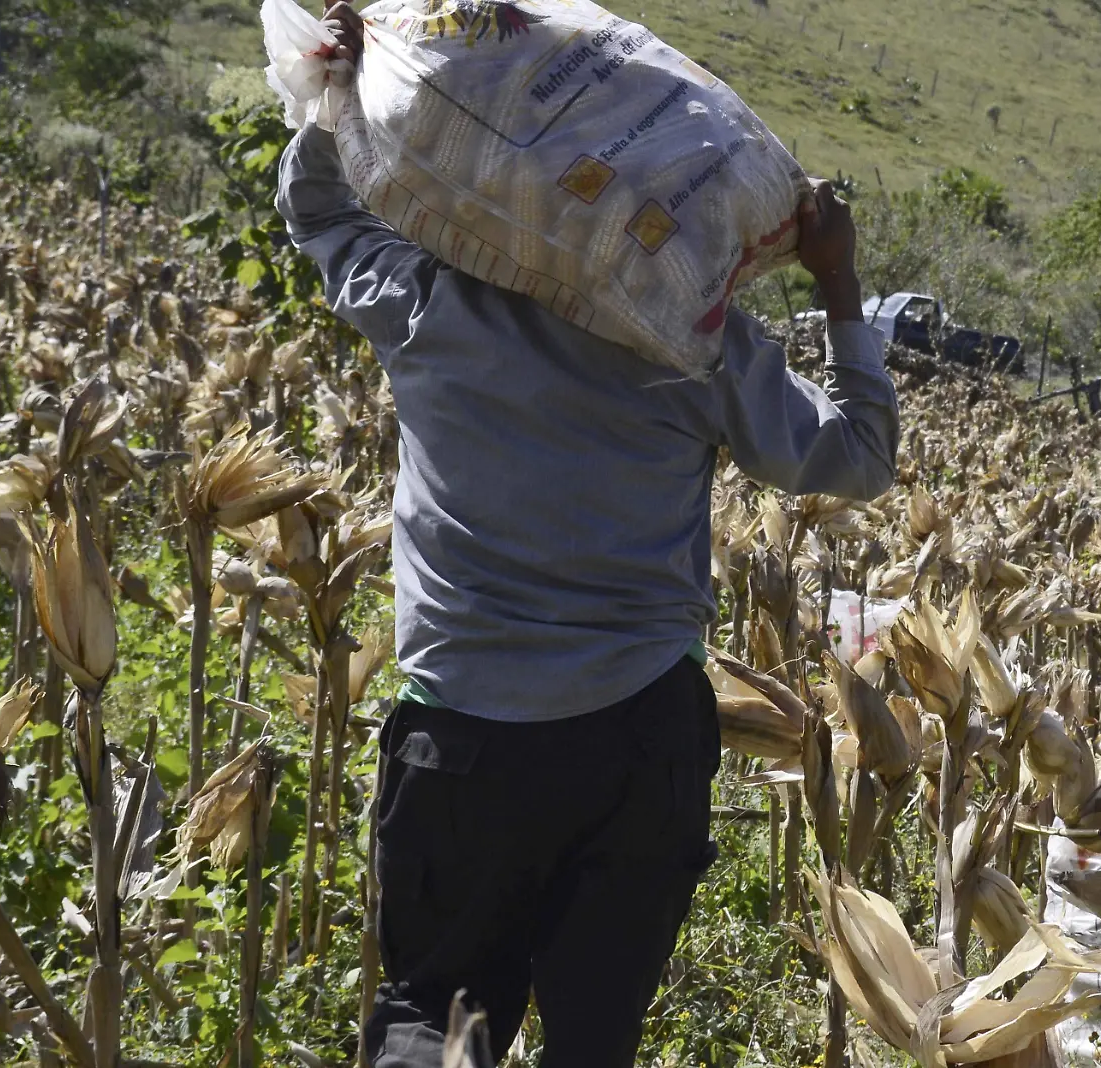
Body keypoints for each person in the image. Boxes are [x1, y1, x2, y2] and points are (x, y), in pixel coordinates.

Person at [277, 5, 898, 1066]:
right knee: (595, 1040)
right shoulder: (697, 348)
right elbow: (853, 460)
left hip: (465, 735)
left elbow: (321, 209)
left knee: (433, 1012)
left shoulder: (427, 304)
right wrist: (838, 282)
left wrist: (339, 80)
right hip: (639, 739)